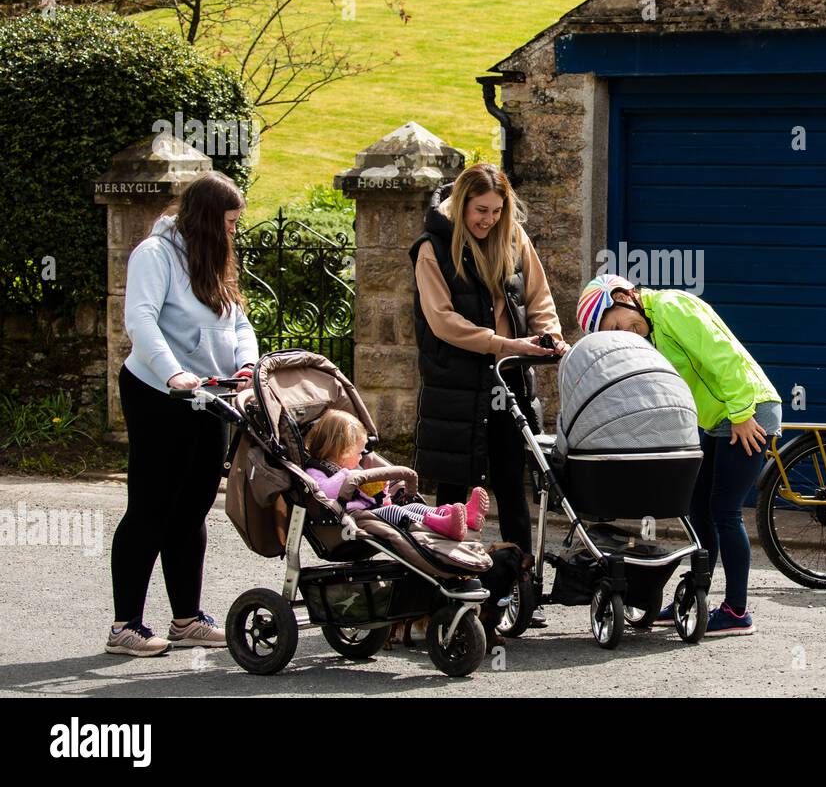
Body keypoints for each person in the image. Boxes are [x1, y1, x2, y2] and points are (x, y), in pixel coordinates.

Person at [577, 274, 780, 637]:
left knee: (725, 510)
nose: (628, 333)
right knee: (697, 508)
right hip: (721, 418)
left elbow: (723, 354)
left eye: (620, 324)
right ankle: (695, 595)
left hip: (748, 410)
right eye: (617, 334)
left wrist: (742, 412)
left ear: (625, 296)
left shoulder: (672, 307)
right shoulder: (648, 333)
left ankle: (736, 611)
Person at [108, 171, 258, 657]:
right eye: (229, 223)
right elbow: (141, 319)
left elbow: (237, 320)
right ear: (206, 220)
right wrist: (174, 374)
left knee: (193, 508)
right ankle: (125, 626)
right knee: (151, 506)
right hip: (158, 392)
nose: (234, 232)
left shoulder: (216, 255)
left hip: (208, 395)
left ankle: (186, 619)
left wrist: (246, 364)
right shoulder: (154, 255)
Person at [409, 164, 566, 624]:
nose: (489, 220)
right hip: (457, 385)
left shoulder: (514, 236)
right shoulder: (431, 248)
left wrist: (550, 335)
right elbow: (442, 322)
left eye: (498, 211)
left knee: (512, 489)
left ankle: (519, 596)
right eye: (481, 211)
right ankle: (447, 597)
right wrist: (505, 345)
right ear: (461, 204)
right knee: (455, 494)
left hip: (509, 381)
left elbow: (539, 297)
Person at [302, 409, 488, 541]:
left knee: (414, 506)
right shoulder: (316, 471)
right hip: (352, 517)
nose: (361, 458)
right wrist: (350, 476)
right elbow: (325, 492)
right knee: (395, 512)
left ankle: (454, 514)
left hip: (372, 511)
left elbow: (369, 494)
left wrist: (380, 490)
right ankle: (443, 523)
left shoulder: (351, 468)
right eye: (358, 453)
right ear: (342, 452)